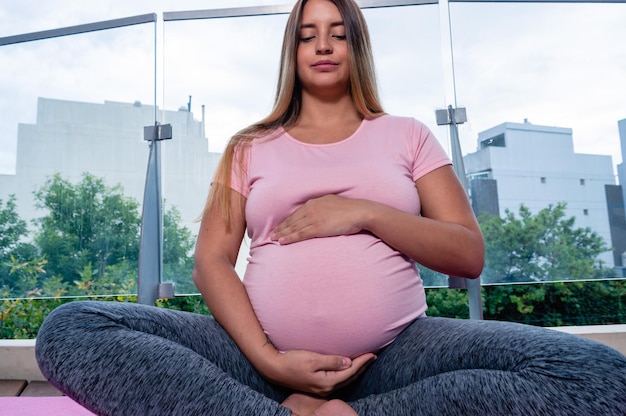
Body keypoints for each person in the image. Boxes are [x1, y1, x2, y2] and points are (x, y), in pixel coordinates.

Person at [36, 0, 626, 415]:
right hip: (258, 363)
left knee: (594, 376)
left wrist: (366, 212)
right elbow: (211, 261)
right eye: (307, 32)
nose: (322, 44)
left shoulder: (409, 135)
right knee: (71, 328)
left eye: (338, 31)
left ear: (357, 46)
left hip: (394, 356)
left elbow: (468, 254)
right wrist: (269, 359)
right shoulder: (250, 146)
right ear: (291, 49)